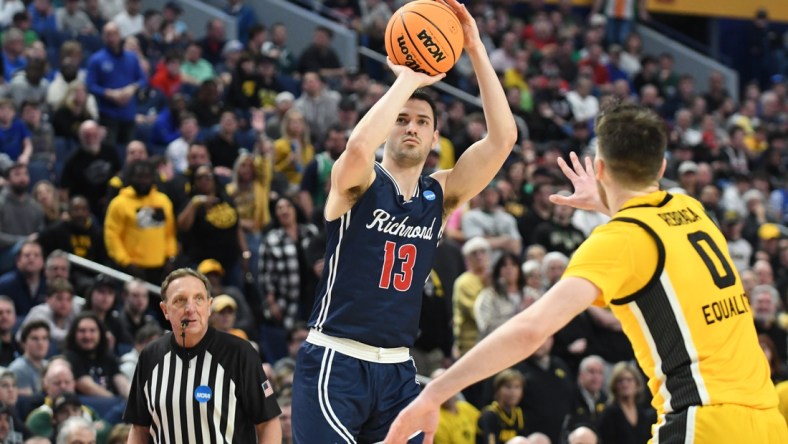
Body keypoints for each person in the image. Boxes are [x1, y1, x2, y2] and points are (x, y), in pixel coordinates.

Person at [385, 103, 788, 443]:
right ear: (662, 164)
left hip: (705, 422)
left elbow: (532, 329)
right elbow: (652, 231)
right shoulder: (694, 211)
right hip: (768, 420)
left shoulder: (619, 240)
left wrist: (434, 393)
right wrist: (606, 201)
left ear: (598, 168)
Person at [291, 0, 517, 441]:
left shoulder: (440, 194)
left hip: (398, 368)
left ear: (435, 137)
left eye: (421, 122)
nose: (411, 127)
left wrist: (473, 47)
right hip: (336, 361)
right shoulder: (358, 181)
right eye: (401, 120)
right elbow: (357, 148)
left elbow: (503, 138)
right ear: (386, 129)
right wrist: (408, 79)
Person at [124, 268, 281, 443]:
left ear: (209, 306)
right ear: (165, 310)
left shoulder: (240, 353)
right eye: (180, 300)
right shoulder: (150, 356)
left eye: (198, 299)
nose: (190, 308)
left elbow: (268, 423)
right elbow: (139, 428)